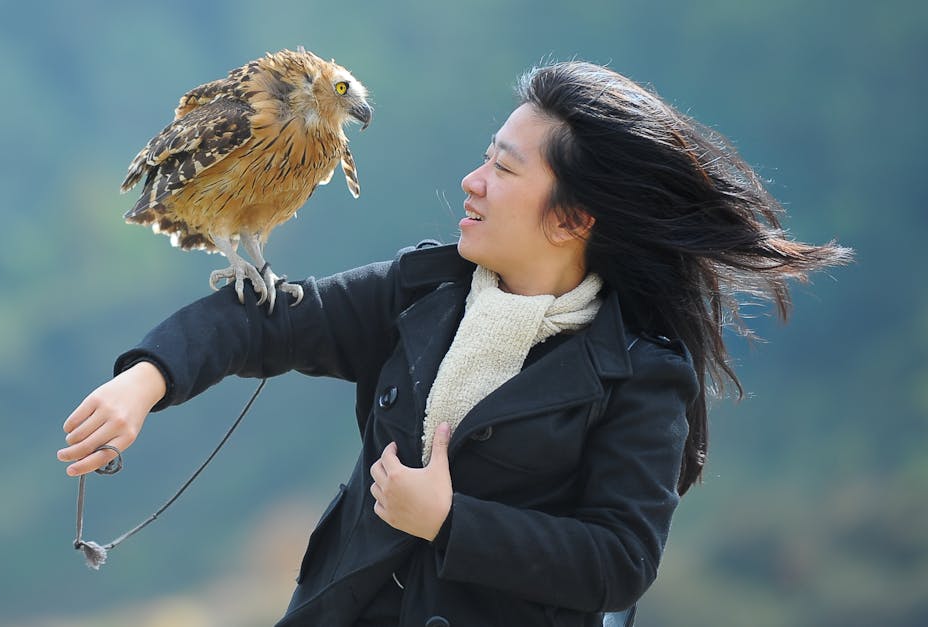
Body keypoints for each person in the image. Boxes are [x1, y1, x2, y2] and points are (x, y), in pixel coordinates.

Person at [57, 61, 851, 626]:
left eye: (503, 170)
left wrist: (447, 517)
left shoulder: (641, 376)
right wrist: (146, 379)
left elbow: (617, 562)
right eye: (484, 157)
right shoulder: (421, 293)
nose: (472, 181)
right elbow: (262, 322)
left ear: (573, 218)